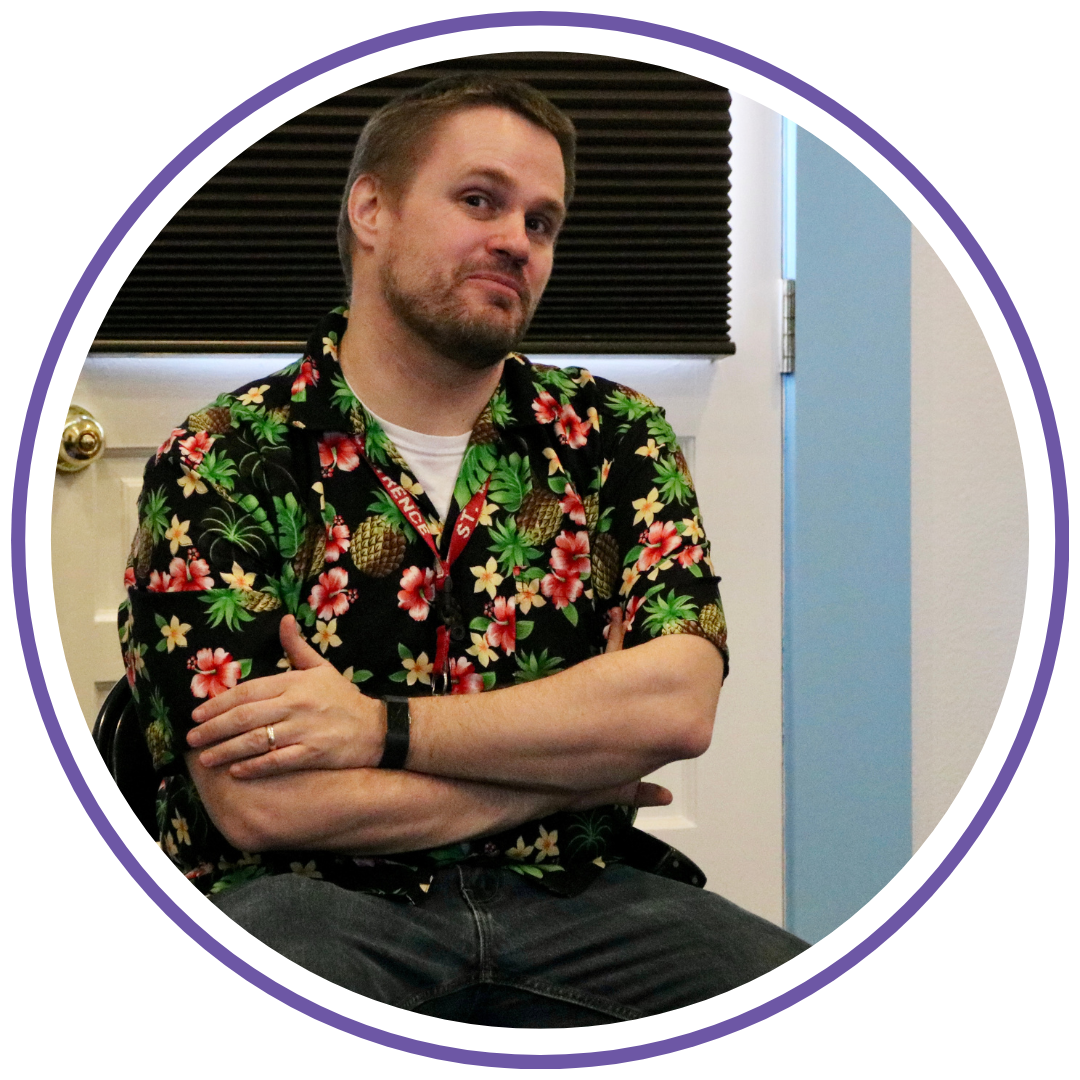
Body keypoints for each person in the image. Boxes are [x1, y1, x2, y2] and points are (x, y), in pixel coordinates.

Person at [119, 73, 807, 1027]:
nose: (518, 239)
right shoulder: (224, 457)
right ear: (372, 208)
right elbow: (264, 808)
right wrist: (576, 777)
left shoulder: (615, 436)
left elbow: (676, 705)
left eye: (542, 221)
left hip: (587, 899)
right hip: (306, 901)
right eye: (481, 200)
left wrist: (377, 729)